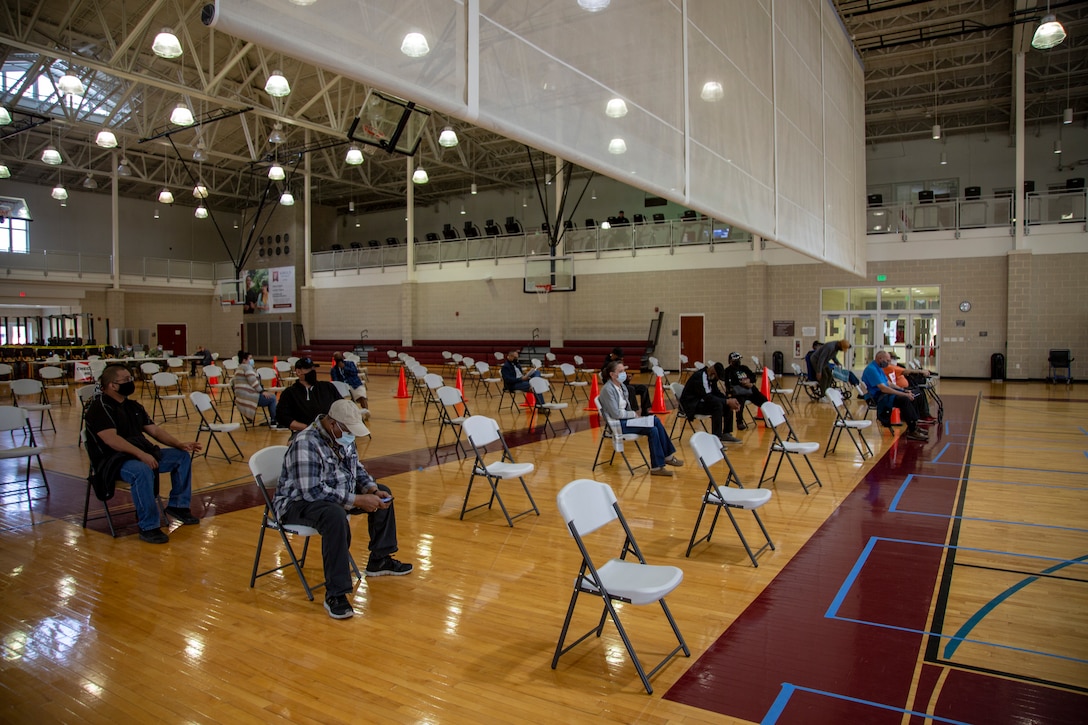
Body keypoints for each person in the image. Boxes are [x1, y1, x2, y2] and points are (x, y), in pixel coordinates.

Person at [273, 399, 412, 619]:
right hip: (297, 503)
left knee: (383, 493)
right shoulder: (306, 443)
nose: (351, 436)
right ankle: (336, 593)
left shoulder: (342, 438)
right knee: (334, 516)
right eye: (348, 430)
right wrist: (357, 500)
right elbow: (312, 492)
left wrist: (372, 490)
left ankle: (380, 559)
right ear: (332, 423)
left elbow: (357, 469)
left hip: (335, 494)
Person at [83, 363, 203, 544]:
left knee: (181, 457)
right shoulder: (99, 408)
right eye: (125, 380)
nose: (130, 382)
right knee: (142, 470)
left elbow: (154, 431)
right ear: (112, 385)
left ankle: (178, 506)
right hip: (113, 461)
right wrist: (141, 454)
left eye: (130, 379)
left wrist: (179, 444)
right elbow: (111, 440)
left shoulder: (133, 407)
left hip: (141, 453)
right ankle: (148, 525)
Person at [599, 359, 683, 477]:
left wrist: (633, 416)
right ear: (612, 375)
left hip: (627, 421)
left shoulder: (621, 386)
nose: (624, 373)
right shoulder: (608, 390)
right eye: (621, 371)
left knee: (653, 429)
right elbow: (615, 414)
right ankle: (667, 456)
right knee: (655, 420)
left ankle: (656, 467)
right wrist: (633, 414)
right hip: (618, 424)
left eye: (624, 370)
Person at [861, 350, 928, 442]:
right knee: (904, 399)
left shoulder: (878, 368)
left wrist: (904, 390)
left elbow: (888, 383)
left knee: (913, 395)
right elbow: (883, 388)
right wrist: (903, 394)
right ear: (880, 359)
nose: (889, 363)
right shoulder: (871, 369)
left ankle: (913, 425)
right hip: (879, 397)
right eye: (888, 361)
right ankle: (912, 430)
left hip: (884, 394)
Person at [679, 361, 742, 443]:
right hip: (691, 405)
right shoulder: (700, 377)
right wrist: (727, 401)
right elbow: (707, 397)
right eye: (717, 377)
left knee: (725, 404)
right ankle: (716, 439)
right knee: (717, 405)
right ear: (713, 373)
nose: (717, 379)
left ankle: (726, 433)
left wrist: (730, 400)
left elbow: (716, 392)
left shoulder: (711, 377)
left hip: (701, 402)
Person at [276, 357, 343, 433]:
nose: (313, 371)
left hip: (330, 431)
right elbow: (282, 417)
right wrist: (309, 428)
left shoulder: (328, 387)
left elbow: (342, 406)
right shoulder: (290, 393)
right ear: (298, 372)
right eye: (309, 369)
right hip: (303, 432)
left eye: (313, 368)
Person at [232, 350, 279, 427]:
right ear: (244, 360)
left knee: (270, 396)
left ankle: (273, 419)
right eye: (250, 358)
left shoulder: (238, 368)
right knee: (272, 398)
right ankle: (274, 421)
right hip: (248, 397)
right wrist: (262, 391)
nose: (251, 360)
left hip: (240, 397)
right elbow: (253, 381)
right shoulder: (246, 367)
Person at [601, 347, 651, 416]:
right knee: (630, 389)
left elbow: (620, 377)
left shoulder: (618, 363)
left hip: (623, 384)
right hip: (617, 386)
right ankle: (633, 410)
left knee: (643, 388)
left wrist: (626, 378)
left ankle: (645, 410)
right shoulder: (608, 365)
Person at [723, 352, 767, 430]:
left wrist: (749, 381)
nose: (738, 361)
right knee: (740, 401)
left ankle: (768, 419)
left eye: (739, 359)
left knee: (763, 399)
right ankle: (739, 422)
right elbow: (728, 383)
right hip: (737, 393)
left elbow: (753, 377)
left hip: (749, 390)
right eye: (735, 360)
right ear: (730, 361)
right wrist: (742, 383)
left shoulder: (744, 368)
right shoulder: (728, 371)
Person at [331, 352, 371, 421]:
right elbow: (335, 380)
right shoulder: (334, 370)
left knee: (361, 396)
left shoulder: (350, 363)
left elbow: (354, 372)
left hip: (354, 383)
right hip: (344, 386)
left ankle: (366, 411)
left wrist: (344, 367)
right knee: (342, 399)